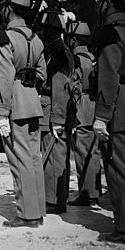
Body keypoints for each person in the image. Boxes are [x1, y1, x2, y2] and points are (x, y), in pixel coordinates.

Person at [0, 0, 46, 228]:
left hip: (14, 103)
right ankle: (38, 211)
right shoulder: (36, 39)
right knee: (34, 159)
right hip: (32, 100)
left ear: (9, 9)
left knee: (20, 161)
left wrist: (1, 113)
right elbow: (42, 76)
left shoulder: (6, 37)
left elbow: (4, 77)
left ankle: (27, 214)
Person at [93, 0, 125, 244]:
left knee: (117, 170)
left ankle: (123, 228)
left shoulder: (110, 32)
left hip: (120, 111)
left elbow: (108, 78)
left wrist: (102, 117)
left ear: (107, 3)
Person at [37, 11, 76, 215]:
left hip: (53, 111)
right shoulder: (54, 51)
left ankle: (54, 201)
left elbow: (60, 89)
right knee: (55, 156)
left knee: (54, 157)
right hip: (51, 111)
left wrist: (57, 119)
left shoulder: (59, 52)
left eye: (43, 29)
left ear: (50, 30)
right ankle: (56, 198)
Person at [64, 21, 102, 206]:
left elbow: (72, 86)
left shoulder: (76, 59)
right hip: (95, 107)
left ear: (73, 40)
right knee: (93, 151)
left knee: (83, 152)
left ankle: (88, 194)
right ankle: (93, 191)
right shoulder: (93, 57)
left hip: (82, 108)